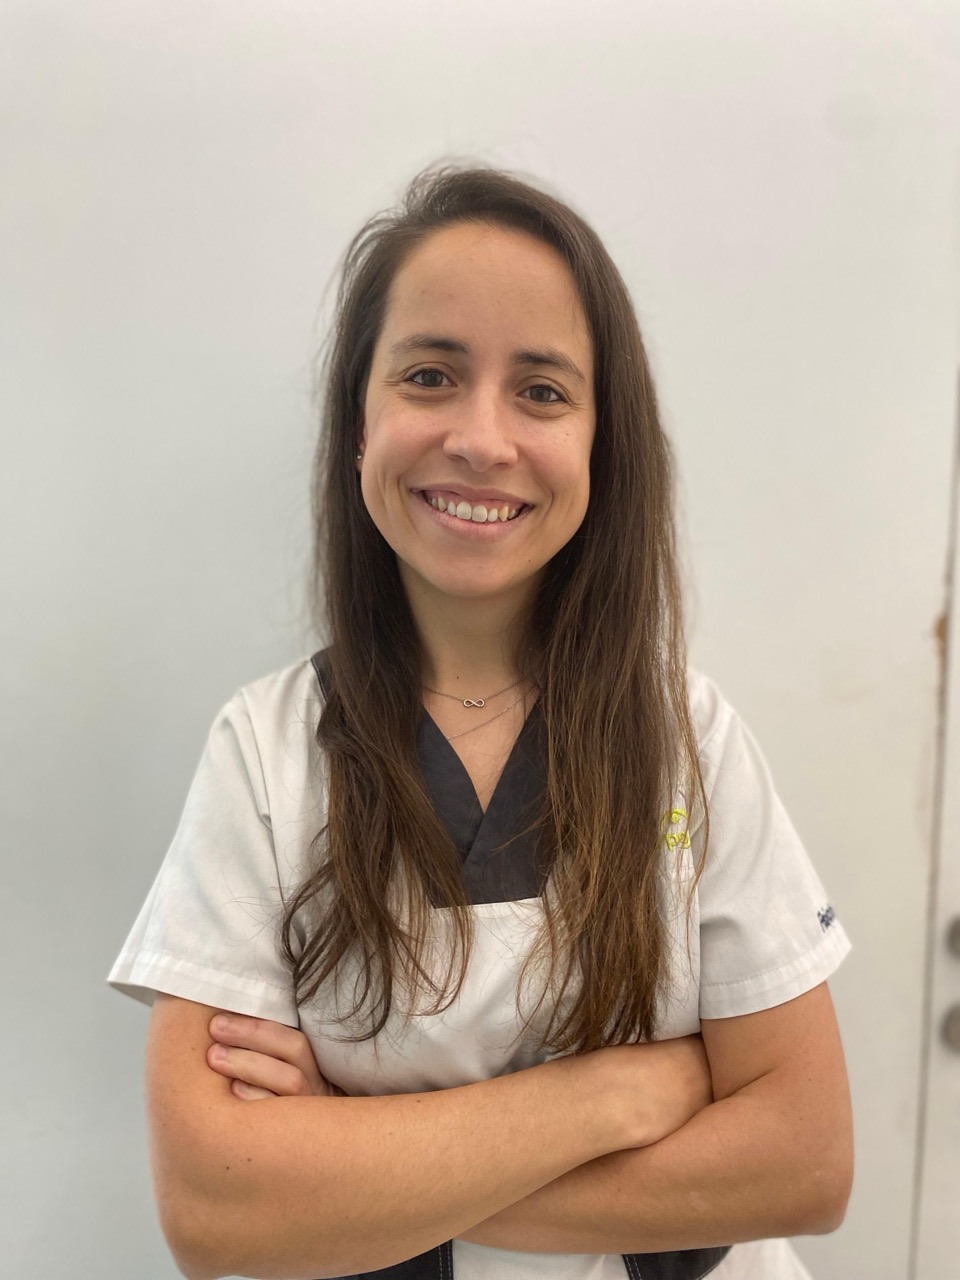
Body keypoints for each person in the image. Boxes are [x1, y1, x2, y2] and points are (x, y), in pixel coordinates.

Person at [107, 164, 853, 1280]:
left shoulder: (689, 739)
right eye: (430, 376)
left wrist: (355, 1156)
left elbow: (806, 1162)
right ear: (359, 424)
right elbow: (216, 1208)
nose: (482, 438)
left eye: (542, 391)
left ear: (602, 444)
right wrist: (616, 1094)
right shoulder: (264, 752)